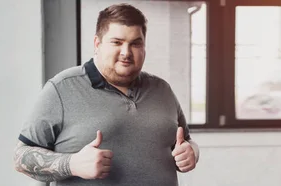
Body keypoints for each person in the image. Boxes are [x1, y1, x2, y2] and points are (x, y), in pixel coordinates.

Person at [12, 3, 199, 186]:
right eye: (117, 42)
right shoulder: (62, 88)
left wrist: (191, 152)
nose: (126, 52)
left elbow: (187, 142)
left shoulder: (162, 90)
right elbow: (21, 157)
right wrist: (71, 164)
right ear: (97, 43)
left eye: (135, 43)